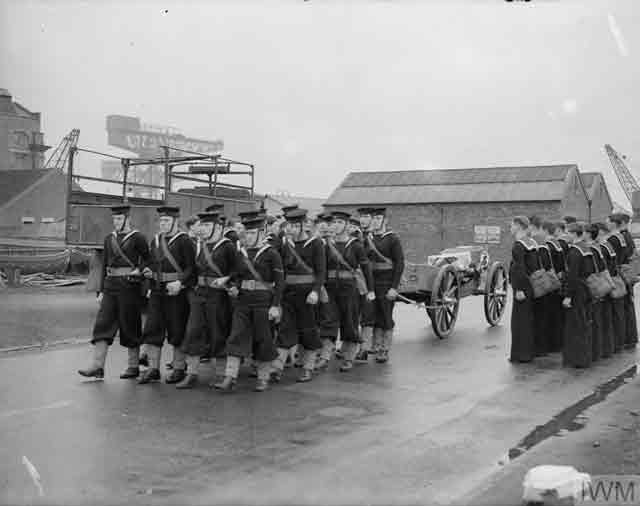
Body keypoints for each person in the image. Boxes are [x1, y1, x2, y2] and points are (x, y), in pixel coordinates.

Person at [78, 205, 150, 379]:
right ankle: (97, 366)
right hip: (110, 286)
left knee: (130, 325)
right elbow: (104, 266)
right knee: (102, 324)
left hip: (129, 286)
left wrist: (139, 271)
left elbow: (149, 260)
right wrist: (101, 291)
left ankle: (133, 366)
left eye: (119, 219)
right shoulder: (109, 238)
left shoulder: (138, 237)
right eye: (114, 219)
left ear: (127, 219)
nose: (116, 222)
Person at [215, 215, 284, 392]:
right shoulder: (241, 252)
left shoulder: (271, 253)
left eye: (252, 233)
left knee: (264, 339)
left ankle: (263, 377)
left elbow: (280, 281)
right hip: (243, 300)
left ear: (261, 233)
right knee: (236, 336)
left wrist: (275, 305)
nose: (248, 236)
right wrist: (230, 282)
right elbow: (237, 274)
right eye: (246, 233)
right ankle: (230, 377)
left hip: (263, 301)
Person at [175, 211, 237, 389]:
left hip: (218, 295)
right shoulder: (200, 246)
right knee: (193, 331)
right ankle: (191, 373)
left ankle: (220, 373)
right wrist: (181, 283)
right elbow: (194, 270)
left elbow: (237, 270)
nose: (203, 229)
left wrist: (227, 279)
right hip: (200, 293)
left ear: (218, 227)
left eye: (207, 225)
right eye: (202, 225)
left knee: (218, 332)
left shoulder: (227, 246)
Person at [138, 206, 197, 384]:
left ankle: (179, 368)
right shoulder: (156, 240)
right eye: (161, 221)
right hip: (157, 289)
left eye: (166, 221)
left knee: (177, 329)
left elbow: (192, 268)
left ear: (175, 222)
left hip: (176, 292)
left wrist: (181, 283)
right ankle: (153, 369)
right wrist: (146, 270)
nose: (162, 224)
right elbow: (147, 261)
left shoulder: (185, 241)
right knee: (152, 328)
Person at [272, 208, 326, 382]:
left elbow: (321, 272)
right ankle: (277, 367)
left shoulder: (316, 243)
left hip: (307, 294)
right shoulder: (284, 243)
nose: (291, 229)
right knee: (285, 329)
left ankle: (308, 367)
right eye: (289, 225)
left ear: (303, 225)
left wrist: (315, 291)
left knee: (308, 330)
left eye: (295, 226)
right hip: (288, 293)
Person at [323, 211, 375, 371]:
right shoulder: (327, 245)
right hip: (331, 287)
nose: (336, 226)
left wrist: (370, 290)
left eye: (339, 223)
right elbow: (322, 268)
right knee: (329, 321)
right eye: (334, 223)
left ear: (346, 225)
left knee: (350, 321)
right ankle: (324, 356)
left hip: (349, 288)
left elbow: (366, 268)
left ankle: (349, 357)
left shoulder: (356, 245)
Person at [366, 208, 404, 363]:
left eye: (378, 218)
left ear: (385, 221)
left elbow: (399, 263)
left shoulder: (392, 239)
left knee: (386, 315)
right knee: (374, 314)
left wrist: (394, 287)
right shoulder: (368, 239)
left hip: (387, 282)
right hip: (372, 283)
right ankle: (375, 345)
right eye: (373, 219)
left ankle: (384, 349)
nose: (375, 221)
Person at [562, 222, 595, 368]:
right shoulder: (585, 248)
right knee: (583, 324)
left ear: (574, 234)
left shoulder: (574, 251)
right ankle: (584, 356)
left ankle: (577, 359)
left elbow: (572, 276)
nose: (566, 235)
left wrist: (568, 295)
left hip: (576, 292)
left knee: (575, 326)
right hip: (585, 288)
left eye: (568, 232)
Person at [509, 216, 536, 363]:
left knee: (519, 322)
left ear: (519, 226)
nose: (510, 228)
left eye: (512, 225)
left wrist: (518, 289)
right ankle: (528, 352)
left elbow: (519, 268)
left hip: (521, 287)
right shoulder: (531, 243)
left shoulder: (518, 245)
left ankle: (520, 355)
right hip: (530, 285)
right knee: (527, 320)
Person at [315, 212, 339, 370]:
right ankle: (318, 352)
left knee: (329, 319)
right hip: (318, 285)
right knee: (317, 319)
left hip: (334, 286)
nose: (326, 227)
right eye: (323, 224)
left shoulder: (338, 244)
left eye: (329, 224)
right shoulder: (316, 243)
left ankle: (325, 354)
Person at [354, 208, 376, 362]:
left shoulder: (379, 236)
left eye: (367, 216)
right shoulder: (354, 234)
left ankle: (365, 348)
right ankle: (349, 346)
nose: (364, 220)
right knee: (352, 314)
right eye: (361, 216)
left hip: (376, 278)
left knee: (367, 316)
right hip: (355, 279)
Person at [593, 223, 616, 358]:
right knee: (607, 317)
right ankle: (608, 347)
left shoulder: (600, 247)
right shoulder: (608, 245)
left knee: (600, 318)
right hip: (609, 281)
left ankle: (602, 349)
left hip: (602, 283)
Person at [542, 221, 565, 353]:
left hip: (551, 281)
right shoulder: (558, 244)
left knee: (550, 316)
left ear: (545, 231)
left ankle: (552, 345)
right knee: (557, 315)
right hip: (558, 280)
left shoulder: (548, 246)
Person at [529, 215, 549, 356]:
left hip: (536, 281)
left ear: (531, 226)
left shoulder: (533, 241)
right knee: (543, 316)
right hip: (546, 279)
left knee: (536, 317)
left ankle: (537, 348)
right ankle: (543, 347)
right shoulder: (546, 240)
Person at [586, 225, 606, 362]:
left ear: (588, 234)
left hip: (593, 284)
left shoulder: (590, 249)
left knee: (593, 319)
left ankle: (595, 351)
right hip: (600, 282)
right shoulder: (598, 247)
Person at [619, 213, 638, 349]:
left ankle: (628, 337)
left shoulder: (623, 237)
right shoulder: (628, 236)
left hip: (625, 273)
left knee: (626, 306)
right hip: (629, 273)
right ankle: (630, 337)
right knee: (628, 305)